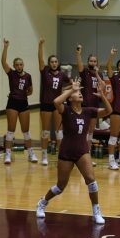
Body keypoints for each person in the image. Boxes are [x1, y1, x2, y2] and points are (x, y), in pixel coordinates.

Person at [36, 77, 112, 224]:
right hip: (66, 152)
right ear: (70, 98)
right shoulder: (66, 110)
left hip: (82, 151)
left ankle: (96, 211)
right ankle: (43, 202)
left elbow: (109, 111)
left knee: (91, 181)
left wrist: (102, 95)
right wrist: (72, 89)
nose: (80, 94)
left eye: (80, 92)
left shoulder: (88, 111)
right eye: (77, 93)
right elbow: (56, 102)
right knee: (60, 186)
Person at [38, 37, 71, 166]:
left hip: (58, 105)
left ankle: (61, 156)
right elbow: (40, 60)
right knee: (45, 131)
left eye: (56, 61)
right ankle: (44, 155)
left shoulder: (62, 75)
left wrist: (67, 89)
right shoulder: (45, 71)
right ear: (49, 63)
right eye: (51, 61)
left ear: (58, 63)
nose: (54, 63)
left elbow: (71, 83)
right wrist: (40, 46)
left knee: (59, 131)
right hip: (46, 104)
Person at [1, 38, 33, 164]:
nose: (19, 66)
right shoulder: (11, 74)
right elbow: (3, 62)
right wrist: (6, 47)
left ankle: (31, 153)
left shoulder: (28, 76)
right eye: (17, 64)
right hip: (12, 104)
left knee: (26, 131)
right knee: (11, 130)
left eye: (21, 64)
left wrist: (26, 93)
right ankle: (8, 154)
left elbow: (30, 90)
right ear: (14, 66)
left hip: (24, 104)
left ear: (23, 65)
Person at [75, 44, 102, 166]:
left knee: (91, 131)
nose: (93, 62)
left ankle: (88, 155)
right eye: (91, 60)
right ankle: (80, 155)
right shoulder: (84, 72)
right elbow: (79, 64)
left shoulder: (99, 74)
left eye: (95, 61)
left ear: (97, 63)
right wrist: (79, 53)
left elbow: (103, 87)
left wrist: (97, 74)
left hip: (95, 106)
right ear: (88, 62)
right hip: (85, 105)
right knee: (83, 132)